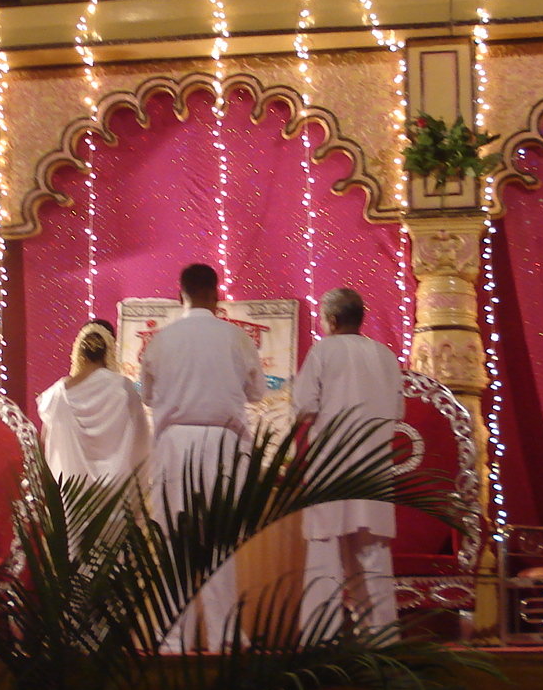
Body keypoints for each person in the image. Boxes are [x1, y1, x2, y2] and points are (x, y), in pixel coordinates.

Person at [139, 262, 266, 651]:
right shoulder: (237, 338)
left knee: (175, 541)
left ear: (181, 294)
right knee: (220, 541)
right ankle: (224, 634)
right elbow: (257, 393)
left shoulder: (160, 341)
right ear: (216, 294)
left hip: (175, 443)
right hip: (224, 444)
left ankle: (173, 637)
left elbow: (148, 396)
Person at [293, 287, 404, 634]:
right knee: (374, 556)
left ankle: (318, 637)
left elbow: (304, 407)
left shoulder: (323, 351)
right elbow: (398, 410)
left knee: (324, 553)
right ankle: (382, 638)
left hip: (332, 465)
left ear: (331, 320)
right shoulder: (385, 355)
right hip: (374, 466)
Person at [36, 318, 152, 489]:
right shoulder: (124, 389)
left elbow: (44, 445)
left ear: (78, 349)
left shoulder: (56, 394)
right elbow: (141, 444)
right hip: (115, 494)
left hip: (70, 495)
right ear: (111, 349)